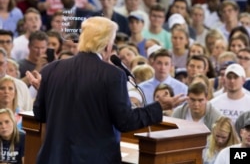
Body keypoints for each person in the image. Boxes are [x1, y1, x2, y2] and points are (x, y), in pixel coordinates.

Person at [32, 16, 186, 164]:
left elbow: (40, 114)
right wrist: (160, 107)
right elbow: (125, 122)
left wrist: (49, 93)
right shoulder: (113, 75)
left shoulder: (51, 70)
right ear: (107, 45)